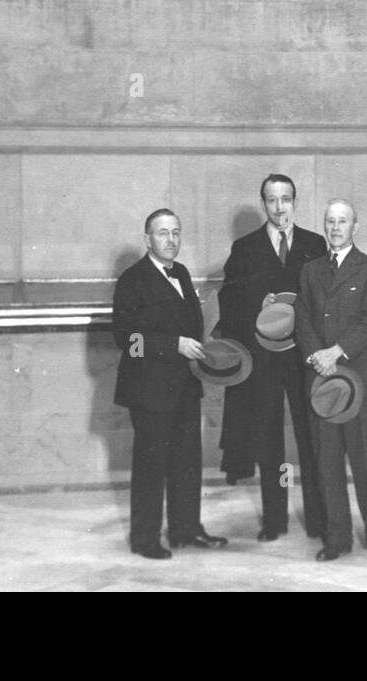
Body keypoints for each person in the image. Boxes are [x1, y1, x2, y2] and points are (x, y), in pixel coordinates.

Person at [213, 175, 327, 542]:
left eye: (286, 199)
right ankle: (275, 519)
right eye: (272, 200)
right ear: (263, 204)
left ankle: (319, 516)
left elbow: (325, 301)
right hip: (263, 361)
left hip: (302, 358)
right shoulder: (244, 248)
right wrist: (256, 308)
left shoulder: (314, 244)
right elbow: (229, 303)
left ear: (296, 202)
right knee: (269, 441)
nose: (280, 207)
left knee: (311, 438)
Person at [112, 209, 228, 559]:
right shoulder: (132, 280)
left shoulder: (181, 272)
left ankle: (185, 530)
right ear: (147, 239)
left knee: (187, 464)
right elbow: (125, 338)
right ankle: (144, 539)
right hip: (149, 392)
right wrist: (173, 344)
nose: (171, 240)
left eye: (176, 232)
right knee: (151, 466)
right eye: (162, 233)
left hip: (185, 387)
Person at [294, 199, 367, 565]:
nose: (336, 228)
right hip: (322, 383)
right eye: (330, 221)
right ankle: (337, 538)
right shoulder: (310, 270)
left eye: (343, 222)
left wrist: (334, 352)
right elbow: (301, 317)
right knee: (328, 464)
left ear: (355, 226)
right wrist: (317, 356)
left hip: (361, 386)